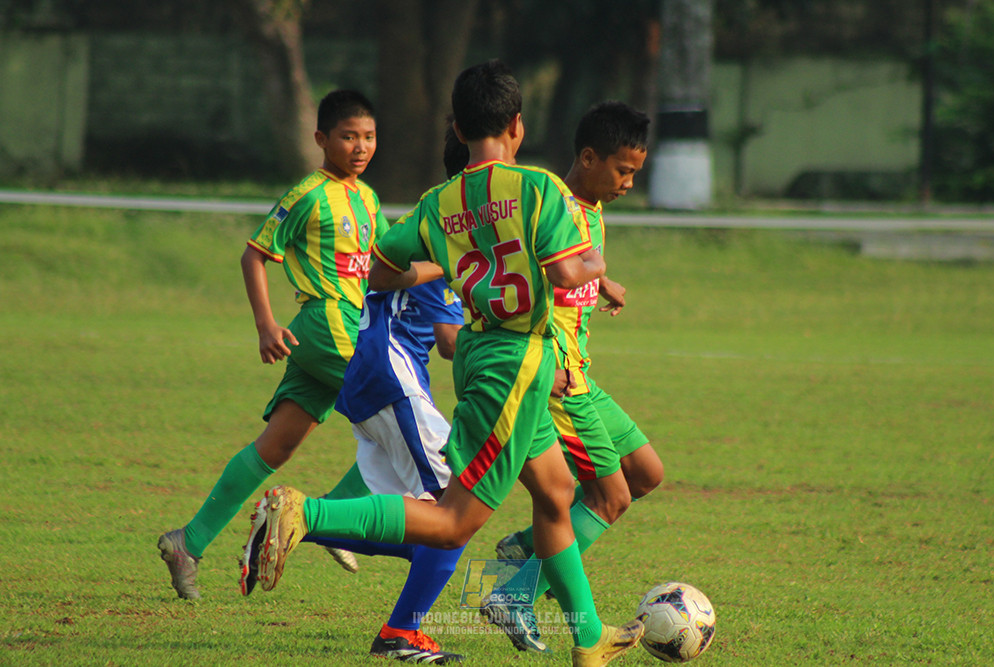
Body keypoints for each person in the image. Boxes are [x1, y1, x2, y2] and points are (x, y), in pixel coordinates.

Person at [249, 60, 644, 667]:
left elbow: (381, 270)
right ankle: (307, 511)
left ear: (458, 127)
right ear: (516, 124)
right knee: (456, 521)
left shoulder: (440, 201)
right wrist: (596, 268)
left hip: (489, 354)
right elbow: (568, 273)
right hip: (515, 363)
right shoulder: (537, 187)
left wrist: (448, 266)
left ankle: (589, 639)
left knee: (558, 493)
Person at [238, 126, 471, 665]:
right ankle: (401, 633)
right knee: (457, 511)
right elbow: (449, 341)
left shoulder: (432, 216)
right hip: (391, 377)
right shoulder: (453, 228)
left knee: (422, 527)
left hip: (370, 375)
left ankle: (305, 521)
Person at [157, 89, 388, 600]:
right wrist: (265, 324)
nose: (360, 147)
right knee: (398, 417)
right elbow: (254, 254)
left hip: (345, 327)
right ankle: (338, 518)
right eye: (348, 136)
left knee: (277, 447)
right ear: (321, 139)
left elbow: (384, 263)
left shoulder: (368, 198)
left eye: (368, 137)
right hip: (325, 322)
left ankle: (187, 543)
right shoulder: (308, 193)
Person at [483, 101, 665, 653]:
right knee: (611, 498)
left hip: (584, 374)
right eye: (623, 170)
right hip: (559, 379)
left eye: (636, 172)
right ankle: (514, 594)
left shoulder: (590, 205)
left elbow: (574, 270)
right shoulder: (551, 205)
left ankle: (523, 546)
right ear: (588, 158)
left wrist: (600, 284)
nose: (629, 183)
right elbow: (532, 274)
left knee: (646, 472)